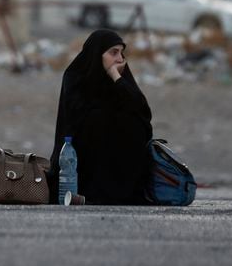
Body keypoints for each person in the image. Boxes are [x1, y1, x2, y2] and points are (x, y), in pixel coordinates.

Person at [48, 29, 153, 205]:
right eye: (113, 52)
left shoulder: (120, 78)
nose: (120, 59)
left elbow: (143, 113)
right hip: (82, 163)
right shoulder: (75, 76)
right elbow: (78, 118)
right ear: (98, 54)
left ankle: (121, 189)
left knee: (134, 123)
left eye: (121, 53)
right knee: (98, 120)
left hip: (119, 168)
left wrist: (117, 79)